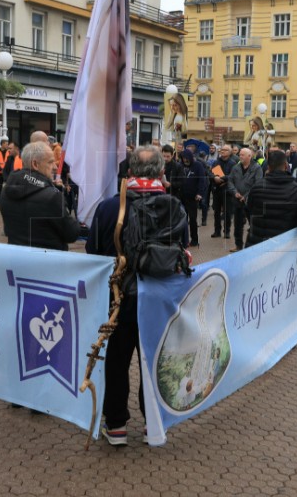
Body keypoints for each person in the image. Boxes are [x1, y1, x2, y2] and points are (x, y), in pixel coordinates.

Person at [86, 145, 188, 446]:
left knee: (116, 361)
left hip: (117, 299)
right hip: (158, 299)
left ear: (129, 171)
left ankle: (115, 425)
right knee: (156, 360)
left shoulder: (108, 207)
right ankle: (153, 424)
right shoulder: (174, 205)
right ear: (161, 171)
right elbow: (182, 252)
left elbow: (93, 253)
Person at [0, 142, 79, 250]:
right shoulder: (52, 197)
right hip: (47, 261)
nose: (55, 167)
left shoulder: (6, 191)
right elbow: (72, 233)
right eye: (50, 162)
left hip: (16, 259)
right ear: (35, 164)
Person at [245, 150, 297, 246]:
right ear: (286, 166)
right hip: (284, 244)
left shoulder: (256, 187)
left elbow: (248, 209)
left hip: (257, 243)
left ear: (268, 167)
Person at [227, 147, 262, 252]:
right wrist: (235, 192)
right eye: (240, 154)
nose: (240, 156)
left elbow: (257, 184)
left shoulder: (257, 168)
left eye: (242, 155)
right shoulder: (235, 168)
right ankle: (238, 245)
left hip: (251, 203)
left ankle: (254, 246)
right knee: (237, 226)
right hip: (237, 201)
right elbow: (230, 181)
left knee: (253, 225)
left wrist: (246, 196)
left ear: (249, 156)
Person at [178, 148, 208, 247]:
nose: (185, 160)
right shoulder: (180, 166)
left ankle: (194, 240)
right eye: (183, 158)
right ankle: (183, 240)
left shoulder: (198, 165)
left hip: (193, 197)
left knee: (193, 219)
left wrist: (200, 193)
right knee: (182, 219)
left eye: (186, 158)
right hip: (182, 196)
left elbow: (202, 180)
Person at [209, 145, 237, 238]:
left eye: (225, 150)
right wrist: (214, 177)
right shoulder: (216, 162)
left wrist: (222, 178)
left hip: (227, 190)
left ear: (229, 152)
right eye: (222, 150)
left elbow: (233, 176)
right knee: (216, 211)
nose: (222, 151)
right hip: (217, 190)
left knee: (227, 212)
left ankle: (227, 231)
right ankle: (217, 231)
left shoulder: (233, 163)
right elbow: (210, 173)